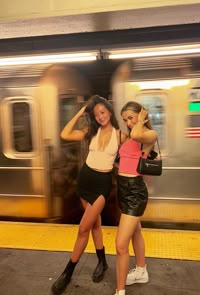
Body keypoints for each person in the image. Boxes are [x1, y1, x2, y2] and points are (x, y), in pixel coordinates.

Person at [51, 95, 126, 295]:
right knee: (95, 224)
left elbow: (137, 149)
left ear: (109, 111)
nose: (100, 117)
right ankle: (102, 261)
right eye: (96, 114)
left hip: (102, 184)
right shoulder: (90, 132)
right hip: (85, 180)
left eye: (103, 112)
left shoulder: (120, 136)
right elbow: (65, 133)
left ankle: (68, 272)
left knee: (83, 228)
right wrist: (80, 112)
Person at [114, 101, 158, 295]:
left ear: (141, 114)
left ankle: (120, 291)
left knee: (120, 244)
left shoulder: (148, 134)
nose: (129, 123)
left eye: (131, 118)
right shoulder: (130, 138)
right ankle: (141, 271)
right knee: (135, 232)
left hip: (135, 192)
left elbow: (137, 134)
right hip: (123, 189)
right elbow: (123, 161)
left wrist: (140, 121)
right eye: (125, 120)